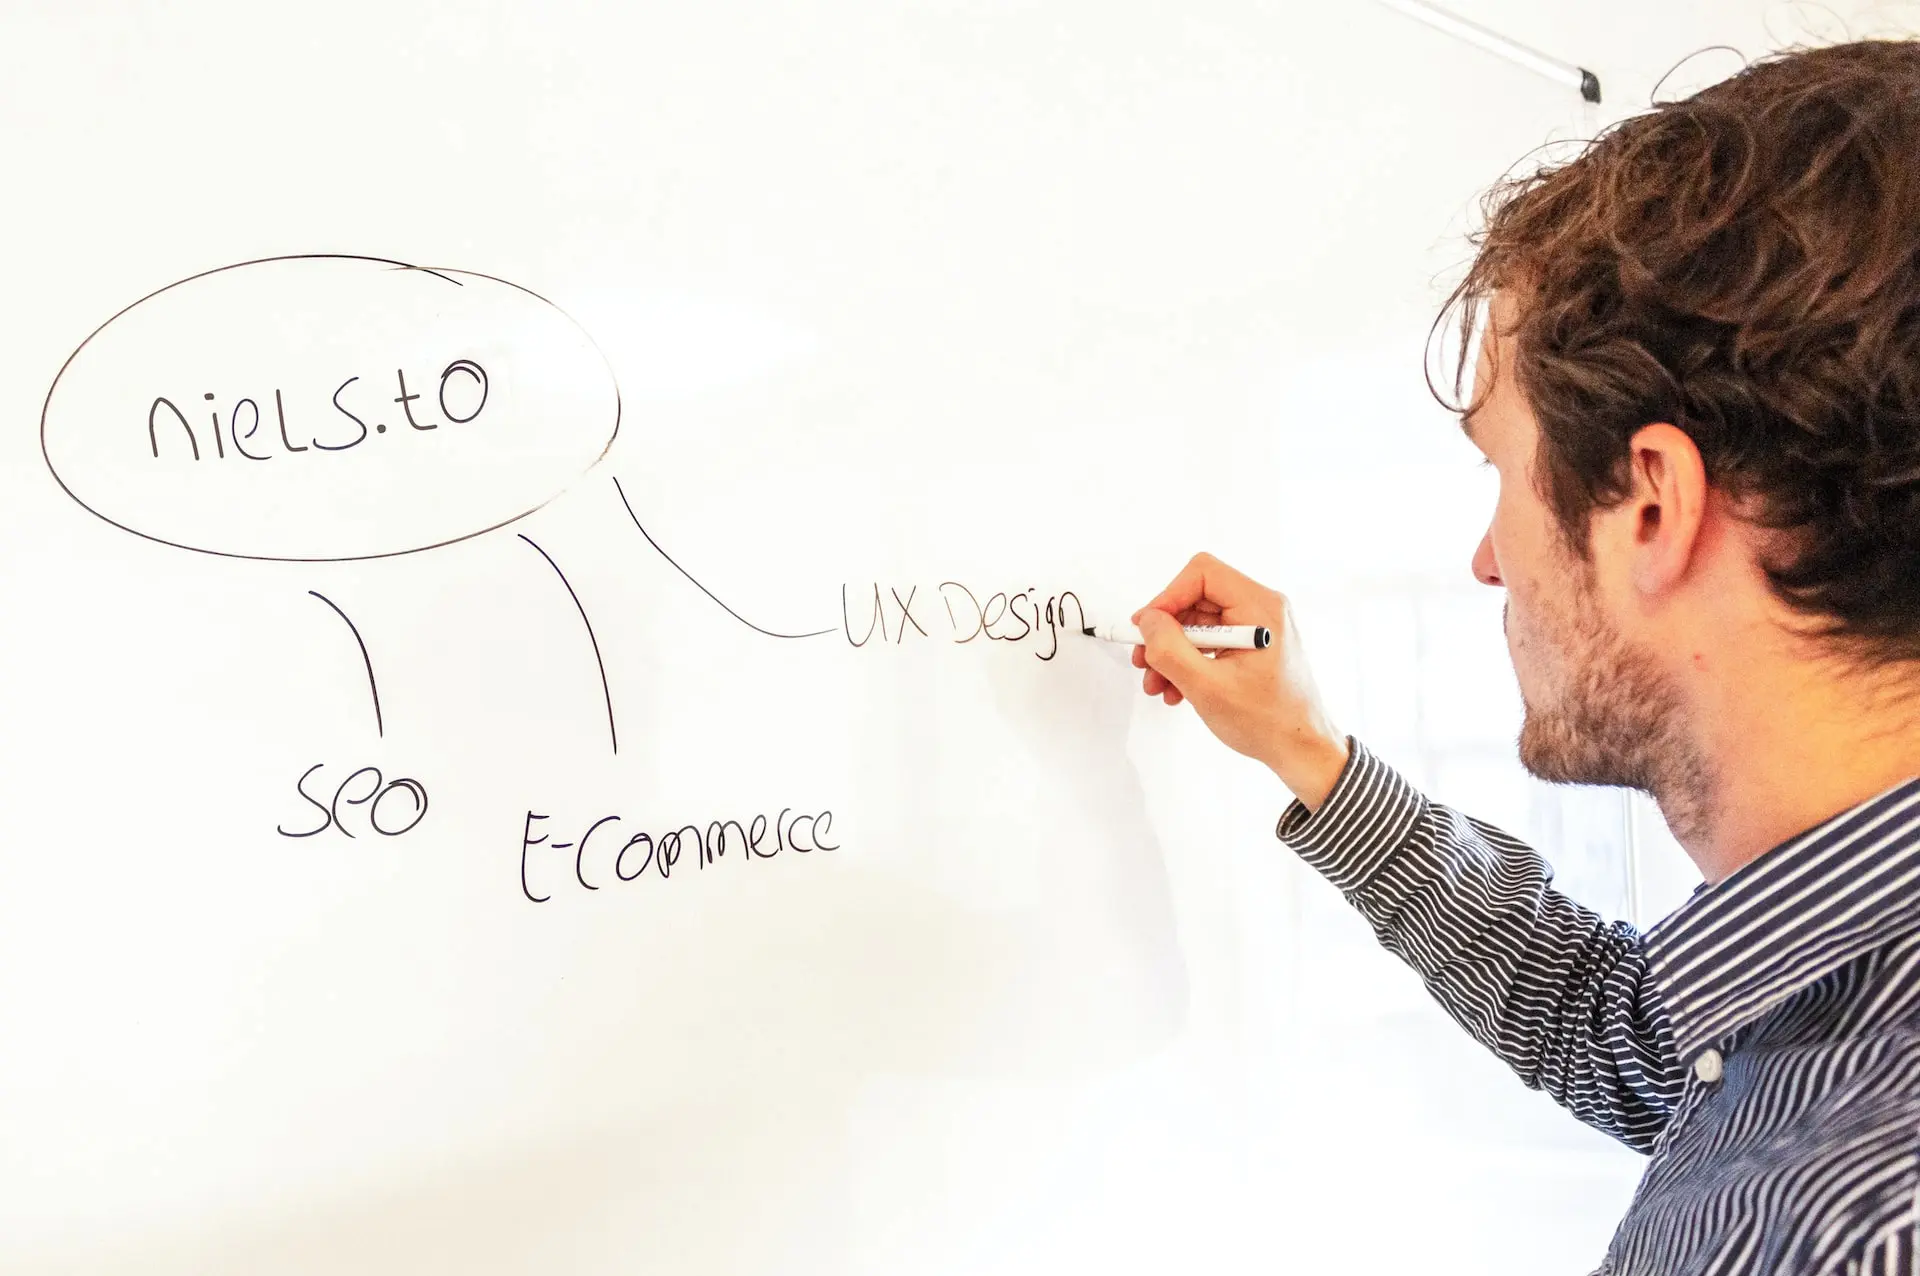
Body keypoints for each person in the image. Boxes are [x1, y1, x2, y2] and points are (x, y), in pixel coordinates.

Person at [1131, 39, 1920, 1276]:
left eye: (1501, 471)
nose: (1487, 560)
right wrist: (1311, 751)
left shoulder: (1841, 1226)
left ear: (1651, 505)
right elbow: (1624, 1032)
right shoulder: (1840, 980)